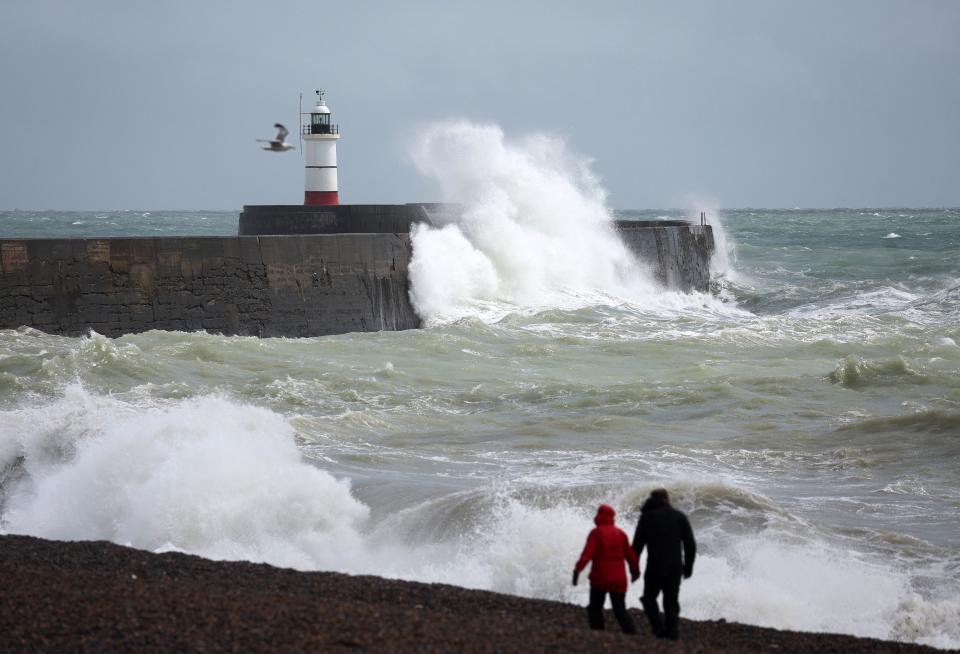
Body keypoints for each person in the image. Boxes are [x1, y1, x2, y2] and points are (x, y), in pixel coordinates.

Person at [632, 488, 696, 640]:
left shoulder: (646, 517)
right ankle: (672, 635)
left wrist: (634, 569)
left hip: (654, 566)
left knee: (648, 599)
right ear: (667, 500)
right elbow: (690, 545)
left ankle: (659, 629)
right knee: (671, 602)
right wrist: (688, 567)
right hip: (675, 567)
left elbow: (636, 547)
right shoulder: (679, 517)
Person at [573, 504, 640, 634]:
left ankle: (599, 633)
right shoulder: (621, 534)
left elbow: (587, 555)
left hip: (600, 578)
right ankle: (632, 634)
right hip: (619, 579)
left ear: (598, 516)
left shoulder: (596, 533)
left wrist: (577, 570)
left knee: (595, 608)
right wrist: (635, 572)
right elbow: (631, 556)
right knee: (620, 609)